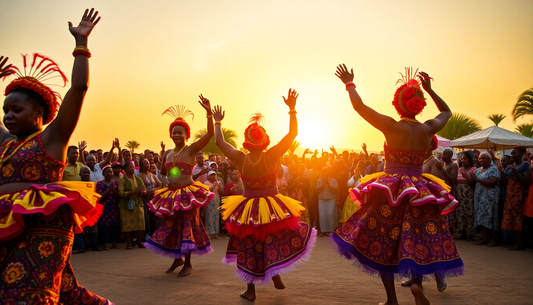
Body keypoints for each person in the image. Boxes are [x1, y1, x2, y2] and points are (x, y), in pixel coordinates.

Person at [0, 9, 111, 304]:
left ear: (39, 114)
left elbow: (79, 88)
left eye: (16, 110)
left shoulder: (52, 138)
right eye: (5, 111)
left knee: (24, 294)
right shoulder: (7, 143)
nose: (9, 116)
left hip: (45, 224)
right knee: (66, 293)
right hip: (6, 221)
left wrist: (81, 45)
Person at [331, 65, 462, 305]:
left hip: (390, 190)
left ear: (397, 104)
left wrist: (349, 84)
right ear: (420, 105)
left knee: (384, 242)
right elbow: (447, 111)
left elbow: (360, 107)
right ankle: (415, 284)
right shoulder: (428, 128)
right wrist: (430, 90)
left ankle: (391, 299)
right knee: (417, 238)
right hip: (420, 191)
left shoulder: (390, 126)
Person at [214, 89, 316, 301]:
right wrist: (292, 109)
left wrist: (217, 122)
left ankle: (252, 289)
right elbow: (292, 135)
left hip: (248, 206)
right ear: (265, 140)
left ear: (246, 141)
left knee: (249, 245)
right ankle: (275, 273)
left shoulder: (241, 158)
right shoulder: (271, 155)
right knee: (273, 239)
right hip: (272, 206)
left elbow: (220, 144)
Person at [146, 99, 215, 277]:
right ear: (170, 134)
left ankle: (189, 264)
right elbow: (161, 173)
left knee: (188, 227)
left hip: (188, 195)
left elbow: (209, 134)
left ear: (186, 135)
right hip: (171, 195)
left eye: (180, 132)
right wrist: (165, 181)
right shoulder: (167, 153)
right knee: (173, 226)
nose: (176, 134)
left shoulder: (191, 150)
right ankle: (178, 258)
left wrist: (208, 114)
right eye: (174, 132)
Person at [500, 146, 530, 250]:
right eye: (511, 153)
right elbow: (504, 183)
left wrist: (516, 173)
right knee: (511, 217)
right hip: (509, 195)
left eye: (514, 153)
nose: (512, 155)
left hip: (520, 195)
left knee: (519, 218)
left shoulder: (526, 165)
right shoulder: (509, 166)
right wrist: (502, 171)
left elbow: (527, 181)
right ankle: (514, 240)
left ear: (522, 154)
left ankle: (520, 242)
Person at [471, 152, 501, 247]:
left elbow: (492, 182)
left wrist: (477, 180)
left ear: (489, 159)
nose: (481, 160)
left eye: (483, 158)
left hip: (490, 197)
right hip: (480, 197)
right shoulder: (478, 170)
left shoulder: (493, 169)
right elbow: (474, 183)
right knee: (482, 216)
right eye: (480, 158)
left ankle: (494, 239)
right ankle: (485, 238)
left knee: (491, 216)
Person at [118, 161, 146, 250]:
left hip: (138, 203)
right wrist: (135, 191)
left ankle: (139, 241)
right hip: (126, 205)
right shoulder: (122, 180)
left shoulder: (138, 179)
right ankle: (129, 242)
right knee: (127, 224)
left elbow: (144, 190)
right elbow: (121, 193)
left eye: (133, 167)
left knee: (140, 223)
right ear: (126, 169)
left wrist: (143, 192)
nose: (133, 169)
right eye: (131, 167)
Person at [454, 151, 477, 241]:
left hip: (468, 194)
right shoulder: (459, 169)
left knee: (469, 213)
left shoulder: (473, 169)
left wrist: (468, 179)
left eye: (465, 159)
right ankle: (462, 232)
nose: (463, 160)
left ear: (469, 160)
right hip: (459, 194)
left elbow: (474, 185)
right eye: (462, 159)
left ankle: (471, 233)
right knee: (460, 213)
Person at [97, 166, 121, 250]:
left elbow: (119, 196)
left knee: (114, 225)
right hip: (104, 208)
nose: (109, 174)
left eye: (111, 172)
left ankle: (114, 243)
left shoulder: (116, 183)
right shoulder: (99, 183)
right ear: (103, 174)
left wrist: (113, 190)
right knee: (104, 226)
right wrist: (108, 190)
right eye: (107, 172)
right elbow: (100, 197)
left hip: (114, 207)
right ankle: (105, 244)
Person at [316, 167, 338, 236]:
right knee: (322, 215)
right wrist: (323, 184)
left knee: (330, 215)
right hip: (321, 199)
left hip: (331, 199)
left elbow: (335, 190)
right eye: (324, 171)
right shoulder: (319, 180)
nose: (325, 173)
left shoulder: (333, 180)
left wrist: (328, 183)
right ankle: (323, 230)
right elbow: (316, 190)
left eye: (326, 171)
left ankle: (330, 231)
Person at [204, 170, 222, 239]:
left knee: (216, 218)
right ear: (208, 176)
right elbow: (209, 191)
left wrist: (219, 186)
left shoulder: (219, 182)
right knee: (209, 217)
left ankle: (215, 234)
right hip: (209, 202)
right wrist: (214, 185)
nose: (213, 176)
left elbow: (220, 192)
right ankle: (208, 234)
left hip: (216, 201)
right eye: (211, 175)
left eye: (214, 175)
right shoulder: (206, 183)